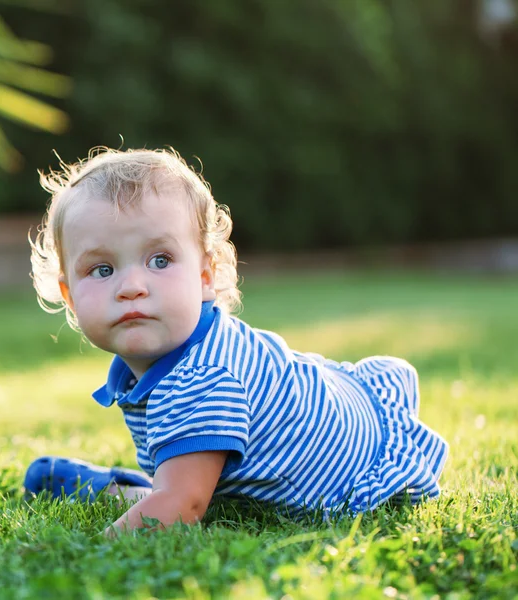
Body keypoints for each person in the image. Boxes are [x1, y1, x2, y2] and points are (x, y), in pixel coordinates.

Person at [25, 147, 449, 536]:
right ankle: (123, 488)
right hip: (295, 445)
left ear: (205, 276)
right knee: (189, 483)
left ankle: (122, 491)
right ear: (70, 296)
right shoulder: (177, 353)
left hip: (354, 472)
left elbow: (185, 505)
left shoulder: (202, 378)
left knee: (181, 497)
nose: (132, 286)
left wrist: (99, 549)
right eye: (102, 269)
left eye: (160, 260)